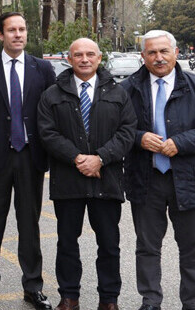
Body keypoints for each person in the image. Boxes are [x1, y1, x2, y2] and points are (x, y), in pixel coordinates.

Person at [121, 30, 195, 310]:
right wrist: (138, 137)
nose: (158, 58)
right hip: (146, 178)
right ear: (142, 56)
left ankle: (193, 303)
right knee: (147, 247)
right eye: (152, 53)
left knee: (193, 249)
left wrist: (180, 143)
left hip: (192, 179)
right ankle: (150, 301)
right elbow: (113, 129)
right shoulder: (127, 89)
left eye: (164, 51)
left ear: (176, 53)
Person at [38, 38, 137, 310]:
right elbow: (47, 133)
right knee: (67, 242)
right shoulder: (52, 94)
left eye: (89, 54)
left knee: (109, 244)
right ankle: (69, 297)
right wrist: (77, 157)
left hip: (106, 179)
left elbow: (127, 132)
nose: (84, 59)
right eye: (78, 54)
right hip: (68, 179)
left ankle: (109, 299)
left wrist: (101, 158)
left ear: (99, 57)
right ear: (68, 59)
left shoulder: (118, 92)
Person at [0, 12, 56, 310]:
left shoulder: (43, 68)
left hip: (30, 158)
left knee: (30, 225)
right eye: (11, 30)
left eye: (22, 29)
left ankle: (33, 287)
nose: (18, 34)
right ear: (0, 35)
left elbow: (51, 113)